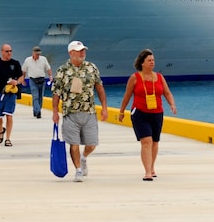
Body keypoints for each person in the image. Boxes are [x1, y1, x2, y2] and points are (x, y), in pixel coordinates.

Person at [52, 41, 108, 182]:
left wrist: (104, 107)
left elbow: (99, 87)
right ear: (71, 53)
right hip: (70, 112)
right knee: (74, 143)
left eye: (83, 50)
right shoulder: (62, 70)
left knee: (92, 144)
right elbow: (56, 93)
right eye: (79, 51)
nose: (82, 53)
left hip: (89, 111)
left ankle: (84, 158)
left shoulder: (91, 68)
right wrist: (55, 112)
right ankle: (77, 170)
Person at [118, 49, 177, 181]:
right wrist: (121, 111)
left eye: (153, 60)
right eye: (149, 60)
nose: (152, 62)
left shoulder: (160, 77)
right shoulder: (135, 78)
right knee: (146, 141)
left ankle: (152, 167)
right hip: (140, 113)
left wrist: (172, 104)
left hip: (157, 113)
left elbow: (167, 93)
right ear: (142, 63)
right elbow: (127, 96)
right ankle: (147, 172)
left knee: (155, 142)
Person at [0, 44, 24, 147]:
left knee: (9, 115)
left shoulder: (15, 63)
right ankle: (1, 130)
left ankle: (8, 139)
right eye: (7, 51)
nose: (9, 53)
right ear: (2, 51)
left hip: (11, 93)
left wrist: (17, 82)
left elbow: (21, 76)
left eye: (10, 51)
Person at [21, 46, 53, 118]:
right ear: (33, 53)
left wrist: (50, 76)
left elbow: (48, 68)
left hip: (42, 80)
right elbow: (24, 70)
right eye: (36, 54)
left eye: (39, 54)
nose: (38, 55)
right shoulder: (28, 60)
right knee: (35, 96)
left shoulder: (43, 59)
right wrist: (22, 79)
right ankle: (38, 111)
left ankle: (36, 110)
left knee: (40, 97)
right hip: (32, 80)